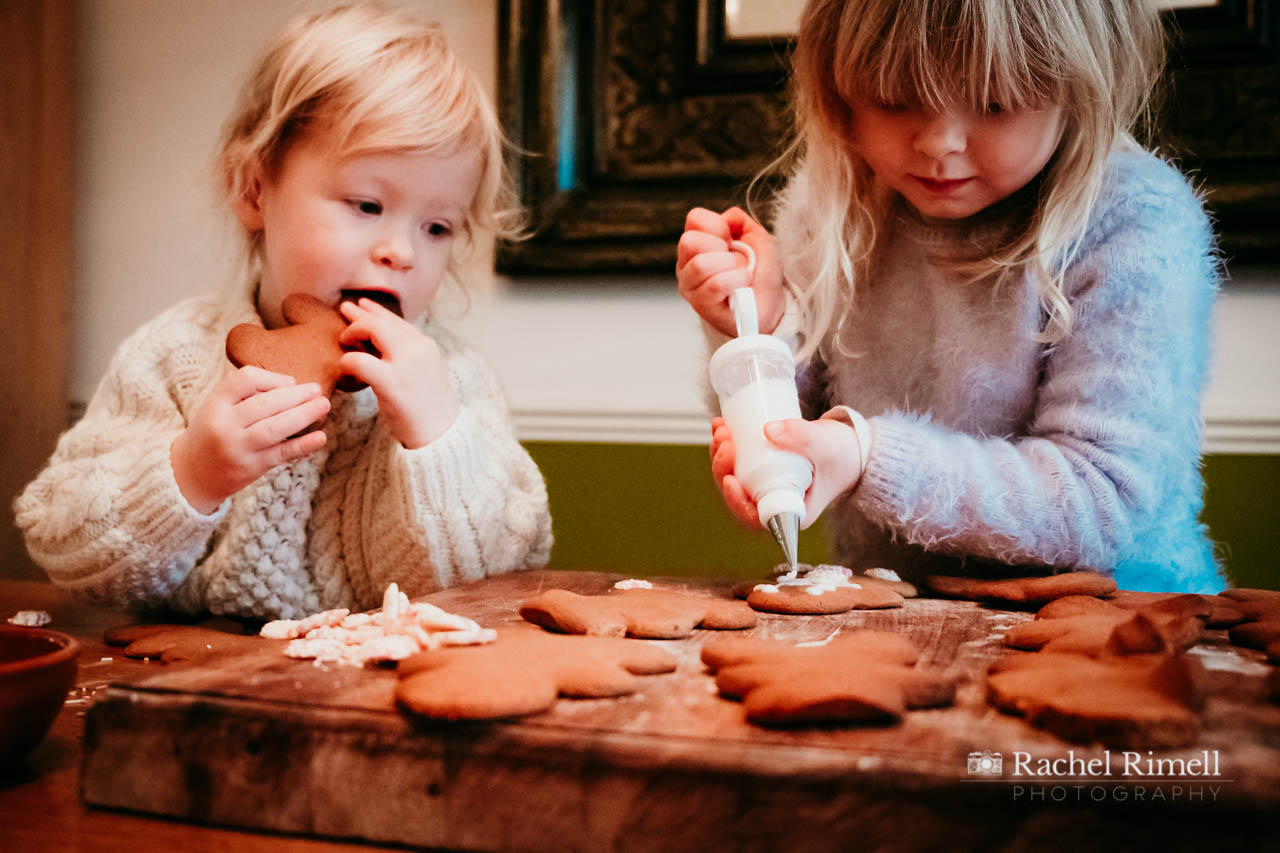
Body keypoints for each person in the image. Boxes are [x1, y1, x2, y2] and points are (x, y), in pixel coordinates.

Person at [16, 3, 552, 618]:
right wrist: (191, 473)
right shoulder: (173, 357)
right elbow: (60, 544)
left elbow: (495, 588)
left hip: (374, 695)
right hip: (186, 688)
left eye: (437, 227)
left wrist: (439, 443)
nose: (401, 252)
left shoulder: (455, 381)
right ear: (254, 191)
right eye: (367, 205)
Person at [676, 0, 1224, 593]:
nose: (940, 143)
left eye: (995, 103)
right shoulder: (832, 206)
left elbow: (1104, 498)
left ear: (1080, 85)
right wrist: (762, 327)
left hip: (1127, 629)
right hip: (901, 625)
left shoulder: (1134, 221)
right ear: (839, 91)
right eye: (895, 99)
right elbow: (801, 434)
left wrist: (867, 457)